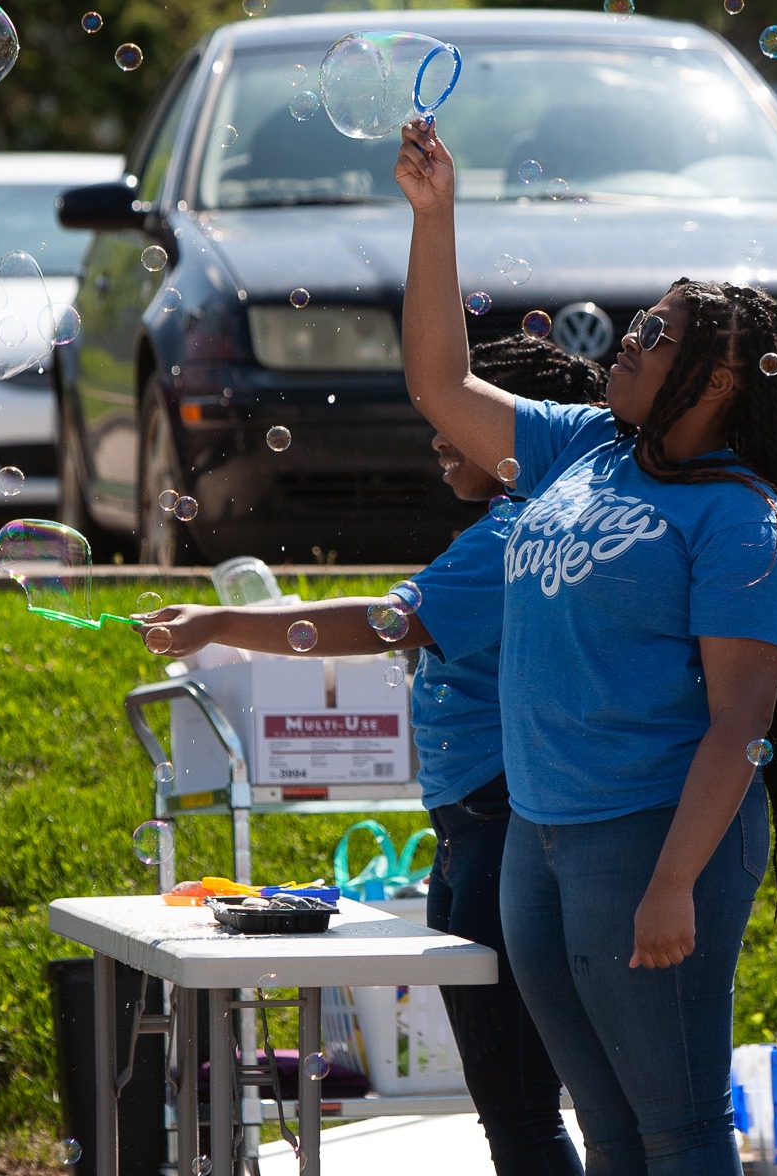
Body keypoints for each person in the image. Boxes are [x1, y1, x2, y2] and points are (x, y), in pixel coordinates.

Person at [396, 117, 777, 1175]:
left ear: (719, 382)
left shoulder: (744, 523)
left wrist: (674, 881)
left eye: (656, 335)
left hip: (647, 840)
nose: (626, 342)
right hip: (539, 833)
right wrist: (436, 217)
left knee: (677, 1126)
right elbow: (440, 387)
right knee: (606, 1122)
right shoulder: (586, 446)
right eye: (637, 326)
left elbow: (739, 726)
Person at [136, 334, 601, 1175]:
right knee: (516, 1105)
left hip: (500, 827)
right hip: (475, 826)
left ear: (515, 435)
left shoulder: (520, 536)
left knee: (520, 1105)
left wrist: (219, 624)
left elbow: (385, 619)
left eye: (457, 416)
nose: (435, 433)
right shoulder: (518, 528)